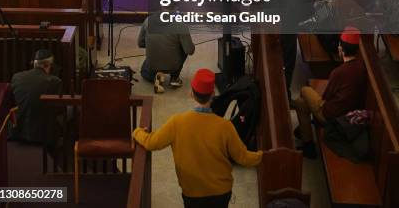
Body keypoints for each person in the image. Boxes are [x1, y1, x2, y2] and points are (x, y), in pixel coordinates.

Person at [133, 68, 263, 207]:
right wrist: (262, 155)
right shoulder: (225, 126)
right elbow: (242, 157)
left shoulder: (176, 122)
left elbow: (152, 143)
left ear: (191, 94)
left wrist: (137, 132)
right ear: (213, 94)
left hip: (192, 193)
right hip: (221, 193)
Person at [293, 27, 367, 159]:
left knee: (305, 90)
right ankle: (307, 143)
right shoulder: (361, 66)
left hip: (332, 115)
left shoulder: (339, 72)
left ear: (340, 48)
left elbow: (326, 96)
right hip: (349, 111)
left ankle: (307, 143)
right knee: (301, 104)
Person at [9, 49, 62, 145]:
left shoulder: (16, 77)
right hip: (42, 135)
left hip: (17, 133)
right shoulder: (54, 81)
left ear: (33, 63)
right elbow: (58, 110)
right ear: (48, 66)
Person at [137, 13, 195, 93]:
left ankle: (155, 76)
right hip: (173, 66)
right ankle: (174, 78)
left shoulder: (148, 20)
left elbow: (140, 43)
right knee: (184, 47)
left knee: (144, 71)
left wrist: (155, 44)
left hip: (152, 65)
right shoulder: (181, 25)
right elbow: (190, 50)